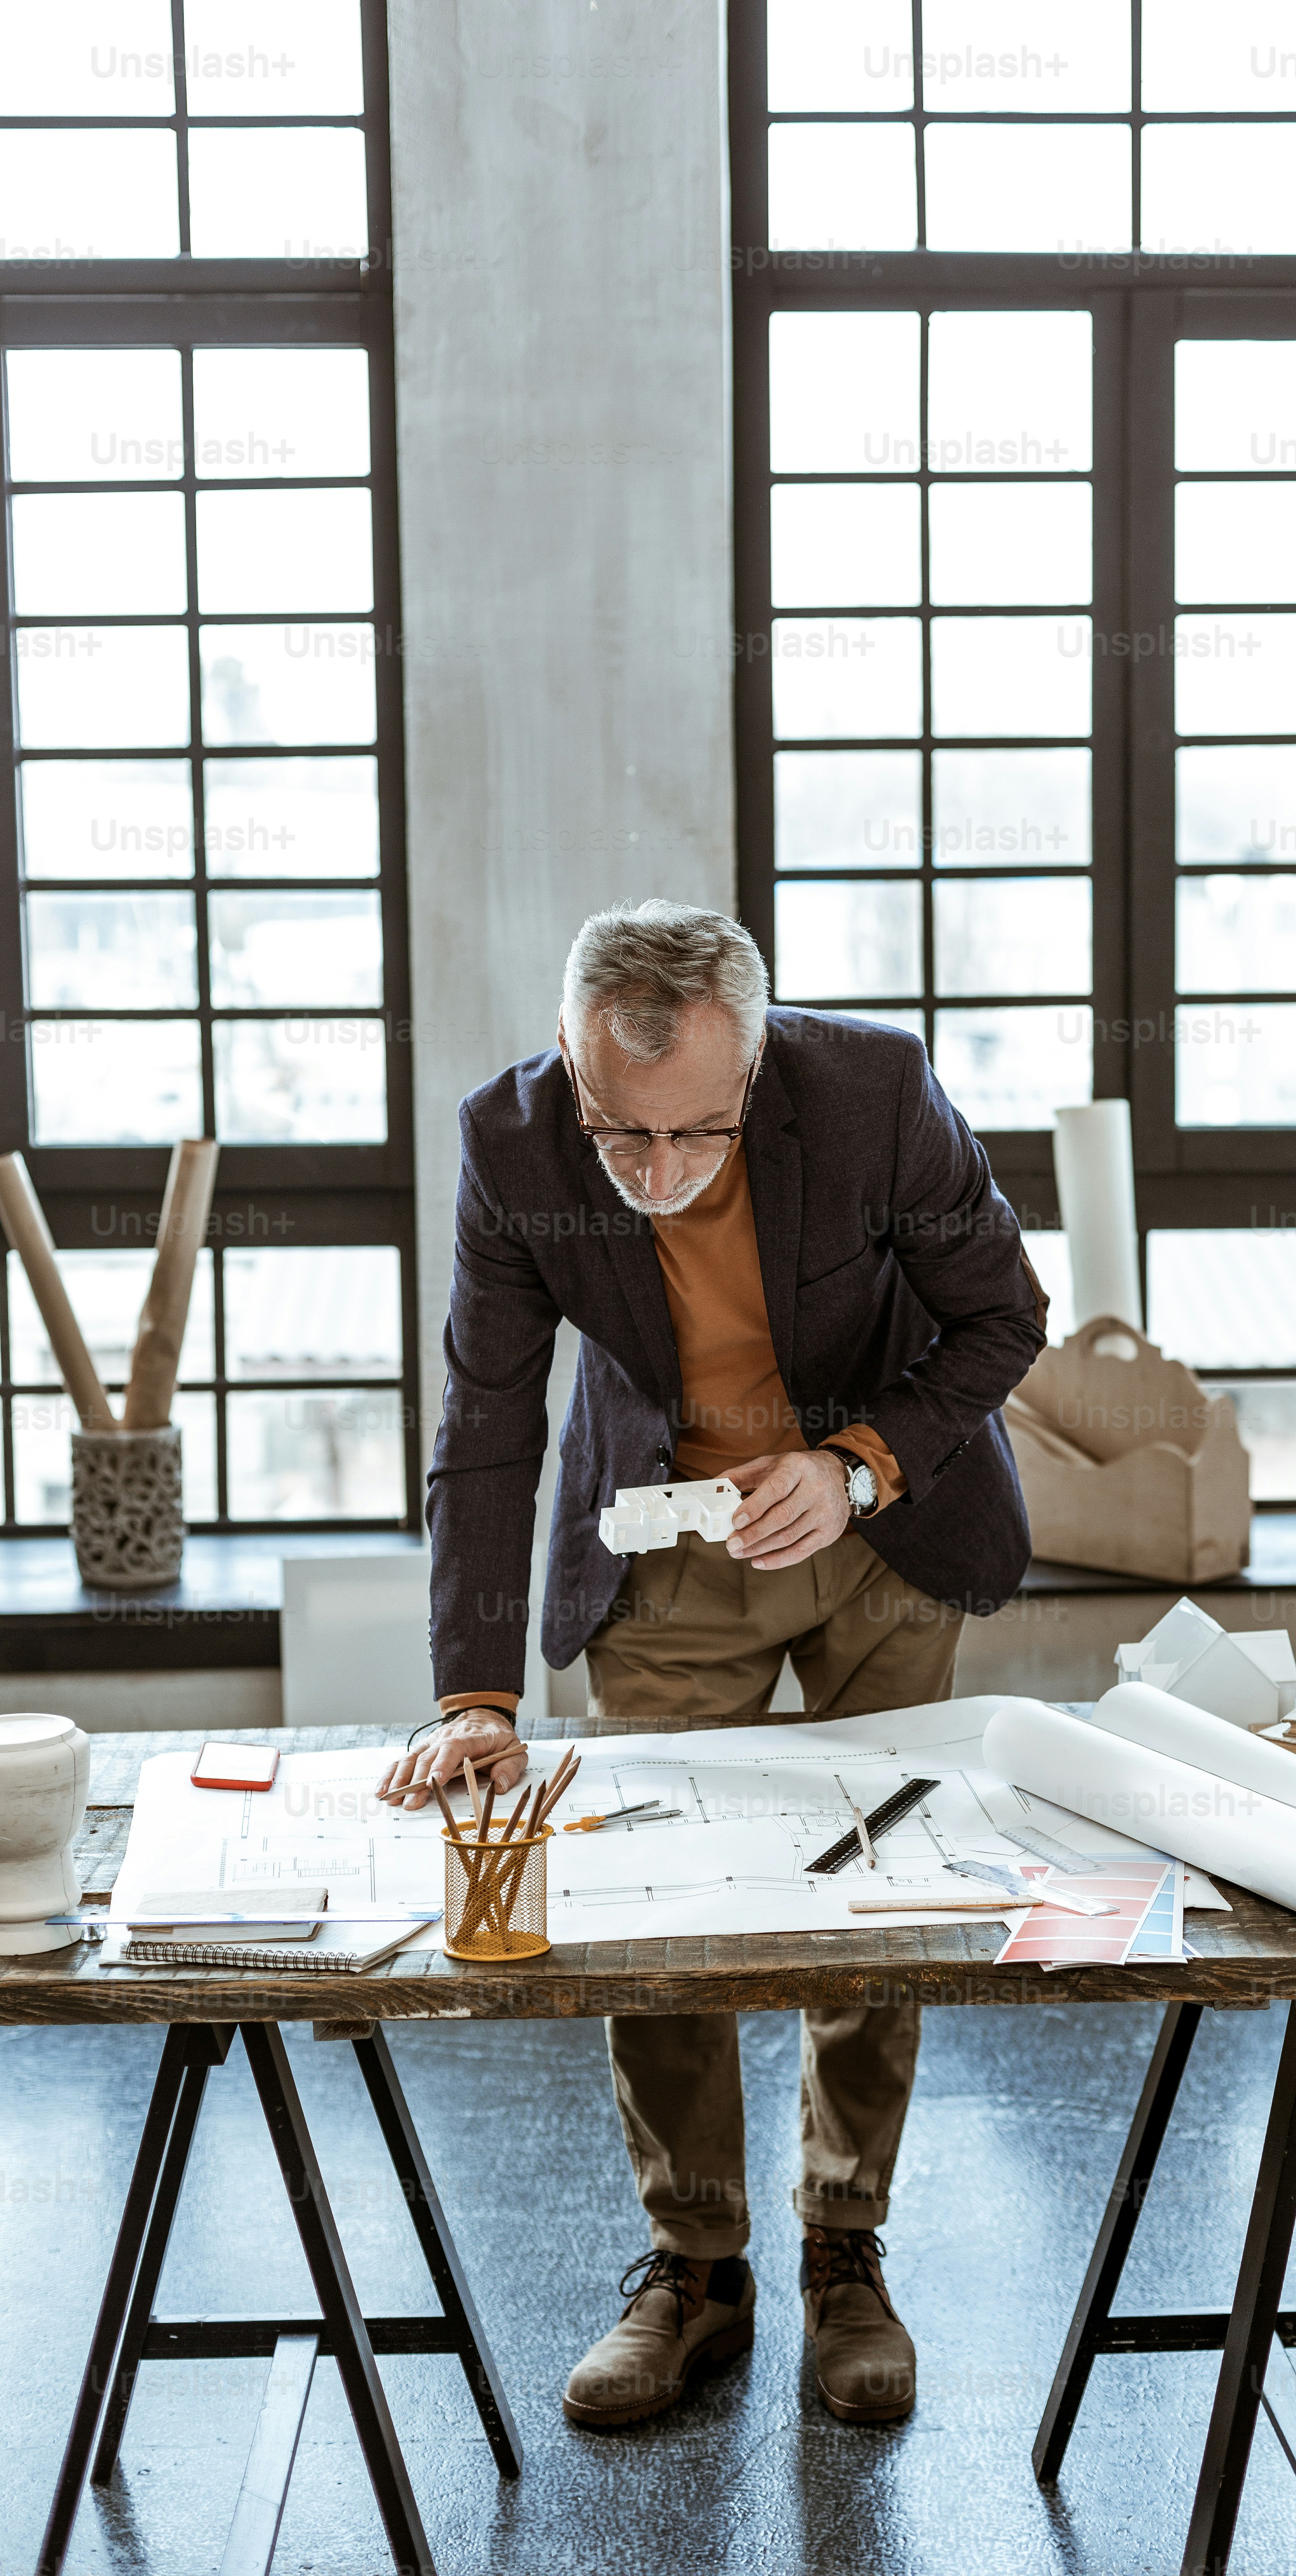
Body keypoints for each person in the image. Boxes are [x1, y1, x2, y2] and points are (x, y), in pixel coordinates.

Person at [377, 898, 1045, 2428]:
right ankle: (694, 2268)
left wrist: (863, 1462)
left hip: (879, 1528)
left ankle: (844, 2252)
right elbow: (485, 1423)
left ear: (758, 1068)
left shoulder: (875, 1091)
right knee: (652, 1904)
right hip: (667, 1541)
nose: (664, 1181)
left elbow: (1003, 1314)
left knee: (876, 1895)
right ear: (569, 1060)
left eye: (700, 1138)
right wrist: (476, 1694)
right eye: (625, 1139)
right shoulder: (514, 1145)